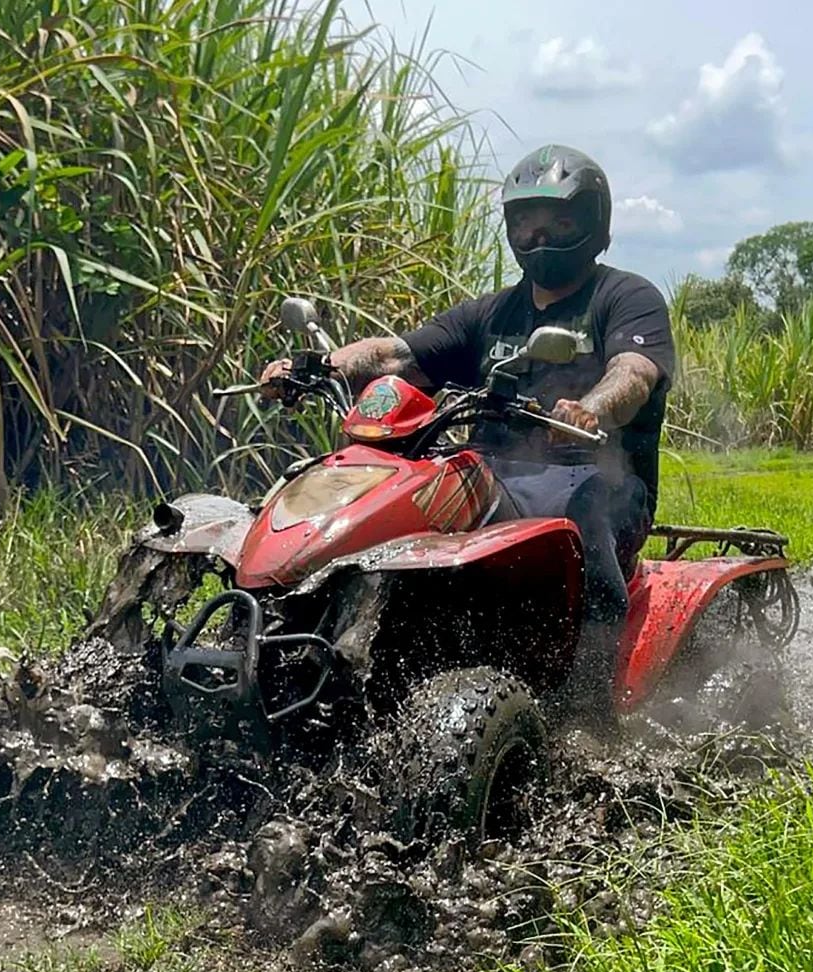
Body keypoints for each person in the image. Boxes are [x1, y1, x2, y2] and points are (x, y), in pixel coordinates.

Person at [260, 144, 676, 724]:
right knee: (389, 502)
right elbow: (395, 355)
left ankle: (589, 711)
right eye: (526, 223)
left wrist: (591, 410)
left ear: (591, 224)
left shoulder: (626, 298)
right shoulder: (491, 313)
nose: (539, 237)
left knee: (587, 517)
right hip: (490, 476)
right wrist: (320, 367)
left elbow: (633, 374)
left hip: (596, 479)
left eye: (558, 223)